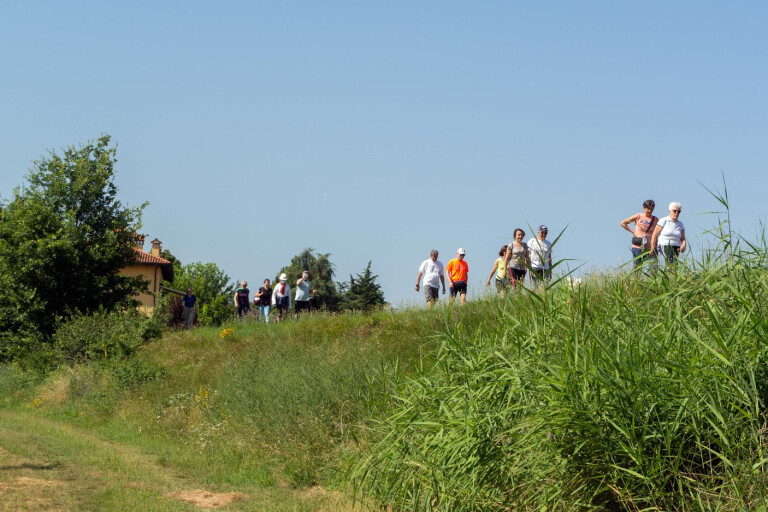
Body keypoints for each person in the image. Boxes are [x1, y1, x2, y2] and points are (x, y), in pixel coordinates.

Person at [620, 199, 658, 267]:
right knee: (637, 268)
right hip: (638, 247)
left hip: (650, 248)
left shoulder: (655, 219)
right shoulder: (638, 216)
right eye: (648, 209)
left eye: (652, 209)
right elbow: (623, 223)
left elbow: (657, 233)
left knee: (654, 268)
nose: (650, 211)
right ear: (644, 208)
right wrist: (633, 232)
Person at [650, 202, 686, 267]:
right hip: (665, 244)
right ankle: (670, 275)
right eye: (674, 211)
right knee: (671, 262)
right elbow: (655, 234)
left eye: (678, 211)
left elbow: (683, 238)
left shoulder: (680, 224)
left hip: (676, 246)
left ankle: (668, 276)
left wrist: (683, 244)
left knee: (674, 264)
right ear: (669, 211)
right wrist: (652, 248)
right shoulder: (664, 220)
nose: (676, 213)